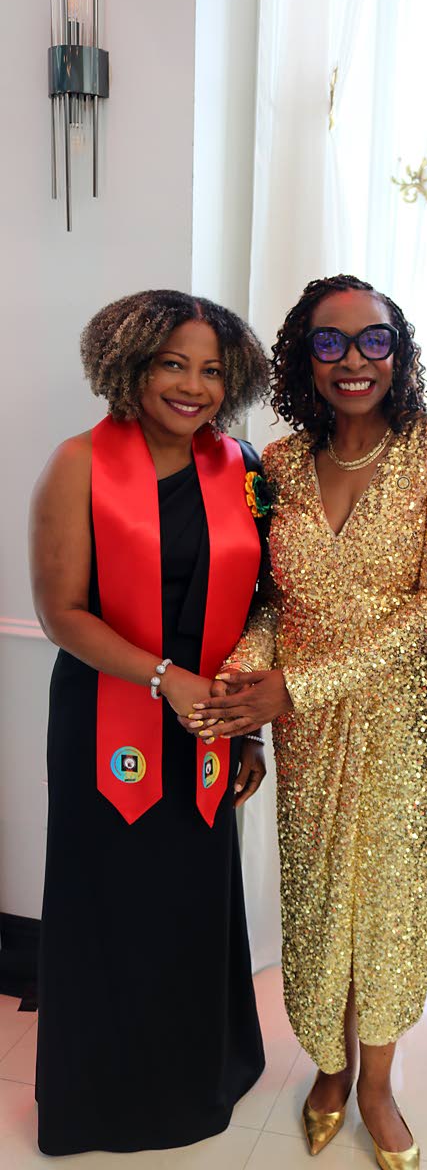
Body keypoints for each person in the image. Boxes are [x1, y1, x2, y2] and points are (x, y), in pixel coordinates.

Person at [184, 274, 427, 1169]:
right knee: (313, 899)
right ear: (302, 356)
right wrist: (245, 683)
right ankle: (327, 1066)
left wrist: (295, 687)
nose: (354, 360)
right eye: (330, 342)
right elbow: (271, 598)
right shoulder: (273, 463)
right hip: (304, 725)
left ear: (401, 350)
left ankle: (379, 1082)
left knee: (387, 907)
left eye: (373, 340)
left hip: (402, 720)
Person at [29, 289, 272, 1155]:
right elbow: (61, 612)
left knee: (193, 902)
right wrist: (163, 677)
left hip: (205, 721)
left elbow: (256, 607)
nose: (193, 386)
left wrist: (240, 722)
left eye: (212, 370)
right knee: (113, 904)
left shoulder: (241, 466)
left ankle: (204, 1068)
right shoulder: (79, 463)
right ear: (129, 364)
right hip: (107, 716)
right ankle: (108, 1099)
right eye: (174, 363)